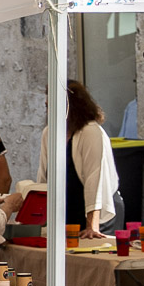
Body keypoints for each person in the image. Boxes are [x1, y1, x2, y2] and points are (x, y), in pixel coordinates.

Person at [40, 80, 121, 239]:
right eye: (47, 106)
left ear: (72, 107)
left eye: (54, 106)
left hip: (98, 212)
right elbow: (43, 178)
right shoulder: (49, 133)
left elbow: (94, 179)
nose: (49, 112)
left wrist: (92, 225)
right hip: (69, 208)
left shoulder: (91, 132)